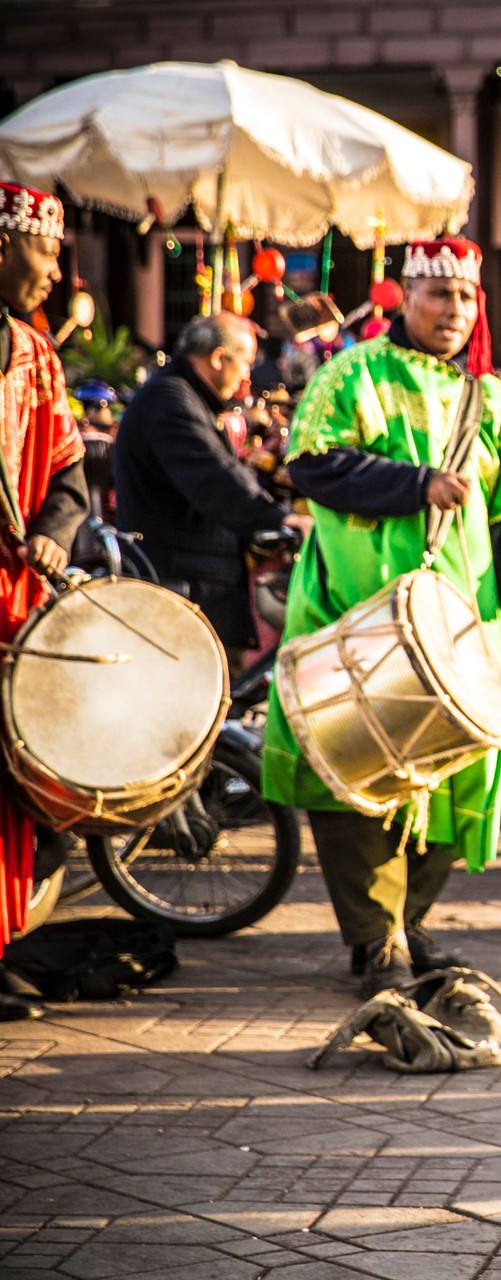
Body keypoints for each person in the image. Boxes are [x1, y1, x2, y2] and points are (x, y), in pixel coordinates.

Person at [263, 237, 501, 995]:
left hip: (460, 619)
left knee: (465, 761)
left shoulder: (495, 399)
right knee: (354, 756)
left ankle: (405, 920)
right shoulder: (352, 373)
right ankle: (372, 937)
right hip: (357, 607)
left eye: (465, 299)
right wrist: (415, 484)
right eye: (438, 296)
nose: (453, 311)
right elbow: (312, 463)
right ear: (405, 298)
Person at [0, 183, 89, 1022]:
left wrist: (56, 531)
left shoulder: (36, 354)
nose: (56, 273)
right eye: (46, 251)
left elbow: (68, 476)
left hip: (13, 606)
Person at [113, 312, 308, 670]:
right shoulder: (171, 402)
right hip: (180, 591)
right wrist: (284, 519)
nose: (248, 376)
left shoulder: (182, 397)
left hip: (192, 585)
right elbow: (216, 481)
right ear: (219, 358)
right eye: (246, 362)